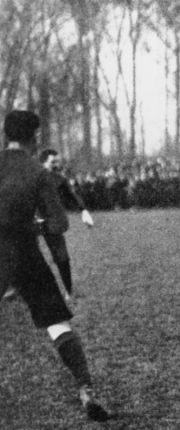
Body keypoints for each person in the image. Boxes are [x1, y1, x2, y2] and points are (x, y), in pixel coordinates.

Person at [0, 110, 109, 421]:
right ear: (33, 138)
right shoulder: (39, 172)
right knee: (57, 323)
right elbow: (59, 224)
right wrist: (37, 225)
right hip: (24, 252)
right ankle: (86, 389)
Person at [37, 149, 95, 295]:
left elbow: (72, 195)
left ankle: (69, 291)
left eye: (57, 161)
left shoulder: (59, 179)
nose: (56, 164)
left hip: (52, 221)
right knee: (23, 254)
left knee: (62, 256)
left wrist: (83, 210)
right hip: (32, 221)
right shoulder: (32, 176)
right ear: (43, 162)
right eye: (53, 162)